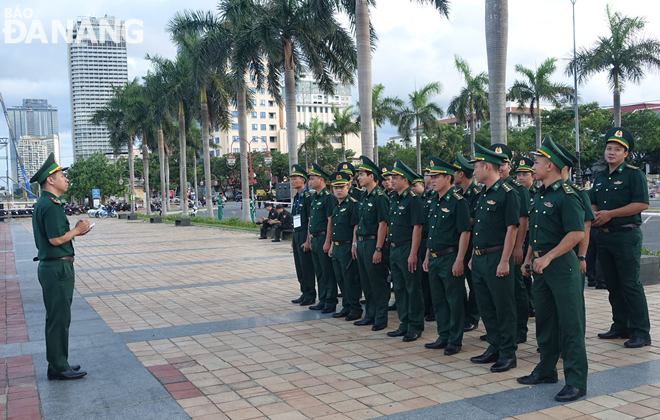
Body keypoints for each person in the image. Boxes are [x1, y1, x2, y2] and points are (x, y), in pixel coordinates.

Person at [518, 135, 587, 402]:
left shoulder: (567, 195)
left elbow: (576, 233)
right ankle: (546, 370)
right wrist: (530, 259)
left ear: (551, 165)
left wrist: (548, 258)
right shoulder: (539, 194)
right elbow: (536, 234)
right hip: (541, 265)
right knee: (545, 322)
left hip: (561, 266)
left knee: (571, 324)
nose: (533, 166)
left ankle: (576, 381)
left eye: (537, 162)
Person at [590, 127, 651, 348]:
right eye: (609, 148)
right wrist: (596, 212)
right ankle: (620, 326)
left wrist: (611, 214)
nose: (611, 152)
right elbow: (593, 200)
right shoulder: (599, 177)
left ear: (626, 154)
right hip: (604, 237)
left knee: (630, 285)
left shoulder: (633, 174)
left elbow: (642, 204)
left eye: (617, 149)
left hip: (626, 235)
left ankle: (641, 331)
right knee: (612, 284)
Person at [31, 153, 88, 380]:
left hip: (53, 267)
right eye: (62, 175)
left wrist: (75, 231)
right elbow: (55, 240)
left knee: (57, 317)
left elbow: (56, 237)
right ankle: (57, 366)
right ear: (50, 180)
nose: (66, 179)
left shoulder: (45, 203)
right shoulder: (51, 205)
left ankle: (58, 362)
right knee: (59, 318)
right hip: (57, 269)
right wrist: (77, 231)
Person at [468, 143, 520, 373]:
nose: (474, 172)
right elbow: (478, 229)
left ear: (487, 166)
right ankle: (494, 345)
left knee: (503, 306)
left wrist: (505, 260)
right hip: (479, 258)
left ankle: (508, 353)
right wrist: (472, 256)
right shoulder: (482, 195)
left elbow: (512, 229)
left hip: (497, 255)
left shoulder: (508, 193)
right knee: (486, 305)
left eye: (476, 167)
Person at [423, 157, 471, 355]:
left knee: (454, 299)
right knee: (439, 299)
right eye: (431, 176)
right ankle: (443, 335)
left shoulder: (458, 202)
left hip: (450, 257)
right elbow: (431, 233)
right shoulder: (434, 201)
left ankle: (455, 338)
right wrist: (427, 256)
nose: (431, 180)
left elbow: (465, 232)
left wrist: (460, 259)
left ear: (448, 178)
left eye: (436, 176)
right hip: (434, 257)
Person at [489, 143, 530, 345]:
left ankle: (520, 329)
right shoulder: (489, 190)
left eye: (504, 162)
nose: (502, 166)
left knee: (516, 288)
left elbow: (522, 221)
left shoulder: (517, 189)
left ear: (508, 165)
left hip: (513, 245)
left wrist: (518, 246)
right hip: (495, 249)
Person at [386, 158, 425, 342]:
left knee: (412, 288)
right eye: (391, 177)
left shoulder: (413, 200)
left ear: (406, 180)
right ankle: (404, 323)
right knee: (399, 288)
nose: (392, 180)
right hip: (394, 248)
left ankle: (415, 326)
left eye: (396, 177)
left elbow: (417, 227)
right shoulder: (393, 198)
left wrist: (413, 253)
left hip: (407, 248)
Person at [354, 156, 390, 330]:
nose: (358, 177)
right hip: (361, 243)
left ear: (372, 176)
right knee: (366, 281)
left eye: (362, 174)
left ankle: (381, 318)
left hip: (373, 243)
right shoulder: (364, 196)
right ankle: (370, 314)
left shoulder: (379, 197)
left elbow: (383, 224)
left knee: (378, 282)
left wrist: (378, 248)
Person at [452, 153, 482, 332]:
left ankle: (473, 317)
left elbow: (474, 220)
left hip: (472, 244)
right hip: (457, 244)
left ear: (461, 173)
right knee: (457, 282)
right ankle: (462, 315)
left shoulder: (477, 194)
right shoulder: (457, 193)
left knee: (474, 284)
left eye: (454, 171)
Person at [328, 171, 363, 320]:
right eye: (336, 187)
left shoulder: (352, 204)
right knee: (340, 278)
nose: (339, 190)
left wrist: (354, 244)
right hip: (336, 246)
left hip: (347, 246)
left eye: (342, 187)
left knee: (350, 279)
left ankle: (355, 308)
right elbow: (334, 227)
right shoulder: (336, 205)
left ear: (348, 186)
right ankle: (346, 306)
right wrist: (331, 245)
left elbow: (355, 226)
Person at [307, 163, 339, 314]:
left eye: (312, 179)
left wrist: (328, 241)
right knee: (319, 271)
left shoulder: (328, 197)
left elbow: (330, 220)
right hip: (314, 238)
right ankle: (323, 299)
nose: (310, 182)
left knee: (327, 271)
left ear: (321, 180)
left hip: (322, 238)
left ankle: (330, 301)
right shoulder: (315, 197)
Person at [289, 165, 316, 306]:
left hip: (305, 233)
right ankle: (304, 292)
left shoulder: (308, 197)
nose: (293, 181)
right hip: (297, 233)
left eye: (295, 179)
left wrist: (308, 240)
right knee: (299, 266)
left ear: (303, 180)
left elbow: (311, 219)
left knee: (306, 266)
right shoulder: (297, 197)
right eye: (292, 179)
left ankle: (310, 294)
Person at [515, 157, 537, 317]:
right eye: (519, 175)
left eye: (525, 174)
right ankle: (529, 304)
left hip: (534, 238)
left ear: (533, 176)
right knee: (524, 274)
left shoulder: (537, 194)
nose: (521, 178)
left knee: (534, 271)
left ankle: (534, 303)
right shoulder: (515, 193)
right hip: (521, 238)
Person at [413, 172, 435, 321]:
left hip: (432, 241)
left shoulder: (432, 197)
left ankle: (433, 309)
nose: (429, 178)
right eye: (428, 174)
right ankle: (427, 307)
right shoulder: (424, 199)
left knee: (431, 280)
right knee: (424, 279)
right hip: (424, 242)